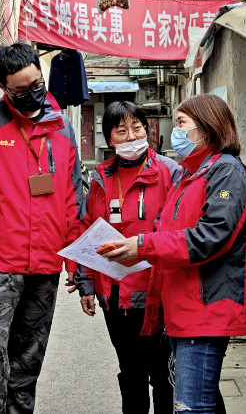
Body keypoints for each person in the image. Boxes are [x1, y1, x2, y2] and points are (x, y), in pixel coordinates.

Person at [100, 94, 246, 414]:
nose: (175, 131)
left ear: (207, 128)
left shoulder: (226, 172)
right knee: (198, 400)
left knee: (191, 405)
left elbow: (209, 237)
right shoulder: (192, 173)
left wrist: (142, 245)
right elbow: (169, 231)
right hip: (182, 306)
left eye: (182, 123)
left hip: (205, 307)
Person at [0, 41, 83, 414]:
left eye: (37, 85)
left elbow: (72, 197)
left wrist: (74, 262)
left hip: (46, 262)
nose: (32, 94)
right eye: (21, 90)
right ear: (3, 87)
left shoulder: (62, 127)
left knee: (30, 355)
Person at [74, 101, 180, 414]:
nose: (132, 136)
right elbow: (87, 232)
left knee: (163, 372)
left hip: (159, 293)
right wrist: (85, 283)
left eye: (137, 128)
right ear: (110, 139)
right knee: (131, 370)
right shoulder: (100, 179)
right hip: (115, 293)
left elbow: (182, 231)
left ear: (147, 130)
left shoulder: (170, 172)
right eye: (122, 131)